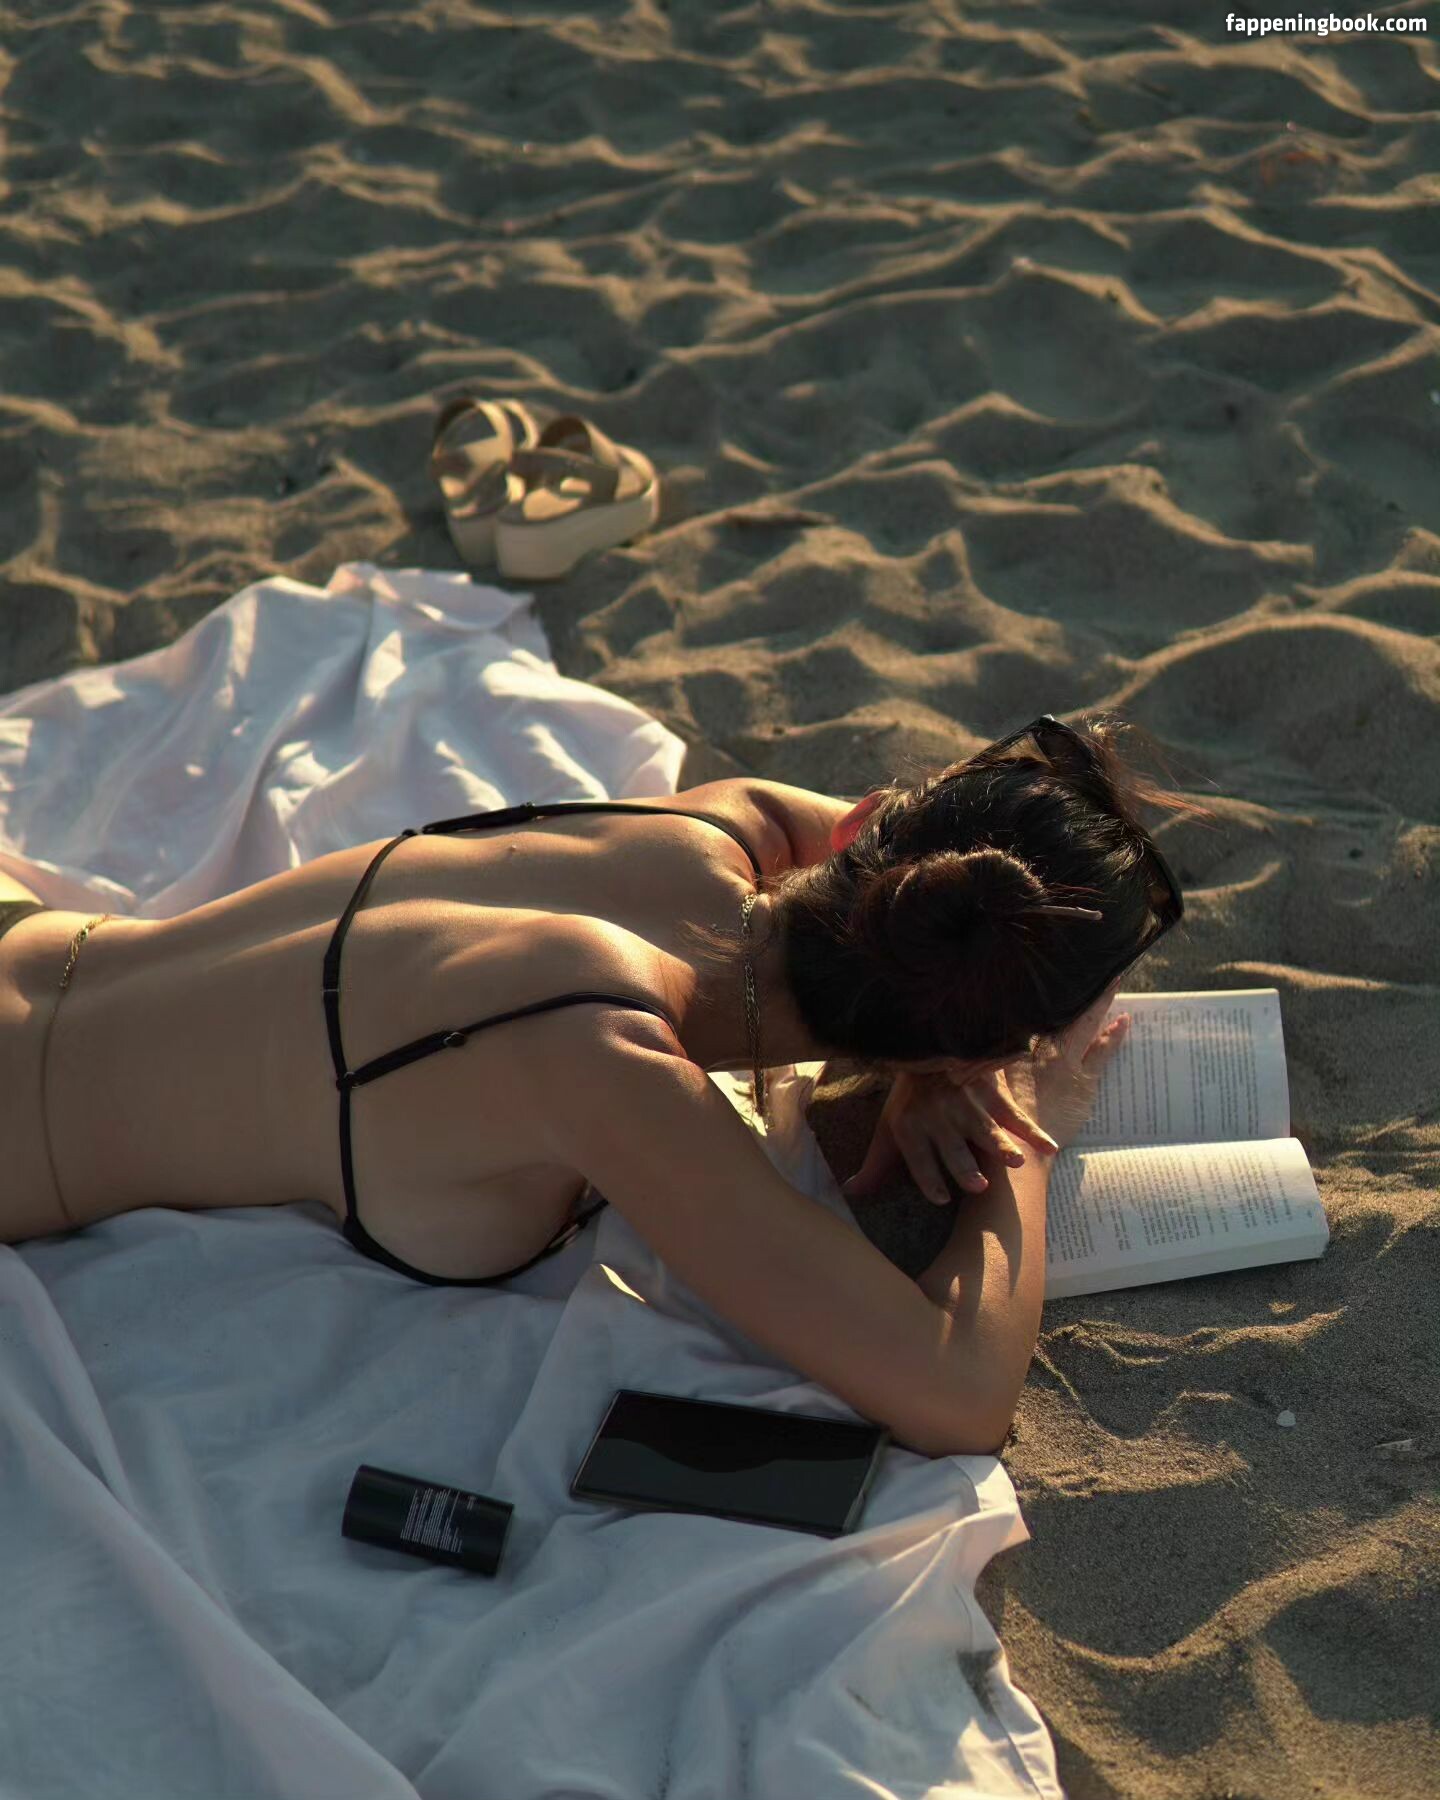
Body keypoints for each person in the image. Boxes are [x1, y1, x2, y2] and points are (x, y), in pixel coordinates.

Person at [0, 711, 1206, 1458]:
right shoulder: (601, 1054)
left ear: (870, 831)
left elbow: (859, 866)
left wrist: (930, 1064)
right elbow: (956, 1394)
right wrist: (1019, 1125)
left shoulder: (707, 834)